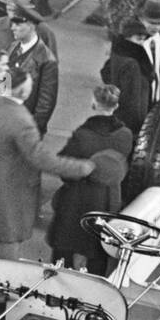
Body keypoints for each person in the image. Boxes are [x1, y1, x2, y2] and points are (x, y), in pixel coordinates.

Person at [0, 67, 95, 260]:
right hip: (10, 195)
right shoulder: (22, 120)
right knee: (7, 252)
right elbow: (41, 159)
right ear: (23, 90)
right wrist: (82, 168)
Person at [48, 84, 133, 275]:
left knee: (64, 258)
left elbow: (65, 169)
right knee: (98, 256)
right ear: (116, 105)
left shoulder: (83, 135)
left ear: (94, 103)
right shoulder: (125, 136)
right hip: (108, 201)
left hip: (77, 203)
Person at [5, 0, 58, 135]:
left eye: (17, 24)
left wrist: (31, 130)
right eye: (12, 23)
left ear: (31, 25)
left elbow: (45, 104)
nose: (12, 28)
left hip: (24, 127)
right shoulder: (12, 48)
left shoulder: (46, 60)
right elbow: (3, 84)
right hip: (5, 121)